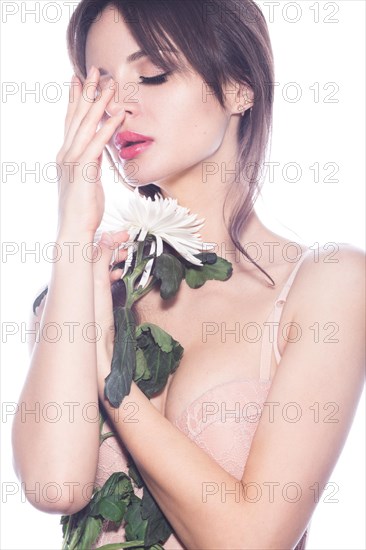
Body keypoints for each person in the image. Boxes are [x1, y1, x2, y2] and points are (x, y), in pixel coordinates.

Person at [12, 1, 365, 548]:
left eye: (151, 75)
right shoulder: (79, 291)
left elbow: (251, 540)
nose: (119, 110)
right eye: (100, 88)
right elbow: (54, 484)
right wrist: (71, 231)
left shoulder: (328, 285)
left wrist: (114, 373)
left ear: (238, 86)